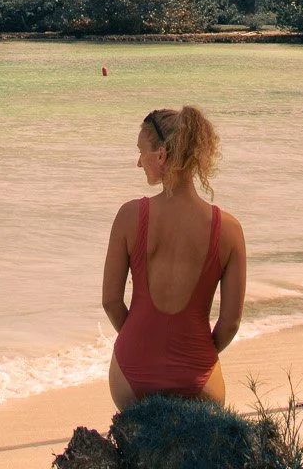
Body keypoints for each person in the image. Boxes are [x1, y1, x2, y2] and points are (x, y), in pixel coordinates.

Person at [101, 105, 246, 408]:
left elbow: (111, 301)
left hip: (132, 377)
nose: (139, 162)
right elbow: (230, 322)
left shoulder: (130, 216)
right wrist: (193, 357)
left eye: (142, 152)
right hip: (196, 380)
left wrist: (141, 343)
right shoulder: (229, 230)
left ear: (162, 155)